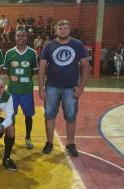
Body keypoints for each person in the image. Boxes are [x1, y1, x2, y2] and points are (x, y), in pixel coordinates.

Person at [38, 20, 90, 157]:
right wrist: (41, 88)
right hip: (51, 87)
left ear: (69, 29)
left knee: (71, 116)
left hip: (71, 88)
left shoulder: (77, 45)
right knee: (49, 115)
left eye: (65, 27)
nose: (62, 30)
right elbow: (42, 67)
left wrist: (81, 88)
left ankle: (71, 144)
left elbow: (86, 66)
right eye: (60, 28)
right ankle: (49, 142)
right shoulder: (49, 46)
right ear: (56, 31)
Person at [4, 30, 38, 149]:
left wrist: (25, 78)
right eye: (18, 35)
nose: (21, 38)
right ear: (15, 37)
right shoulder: (9, 53)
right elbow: (7, 70)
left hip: (26, 91)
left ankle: (28, 138)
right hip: (12, 91)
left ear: (27, 37)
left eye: (23, 35)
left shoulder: (32, 53)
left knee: (28, 116)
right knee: (11, 117)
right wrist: (13, 78)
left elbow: (33, 70)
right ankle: (10, 138)